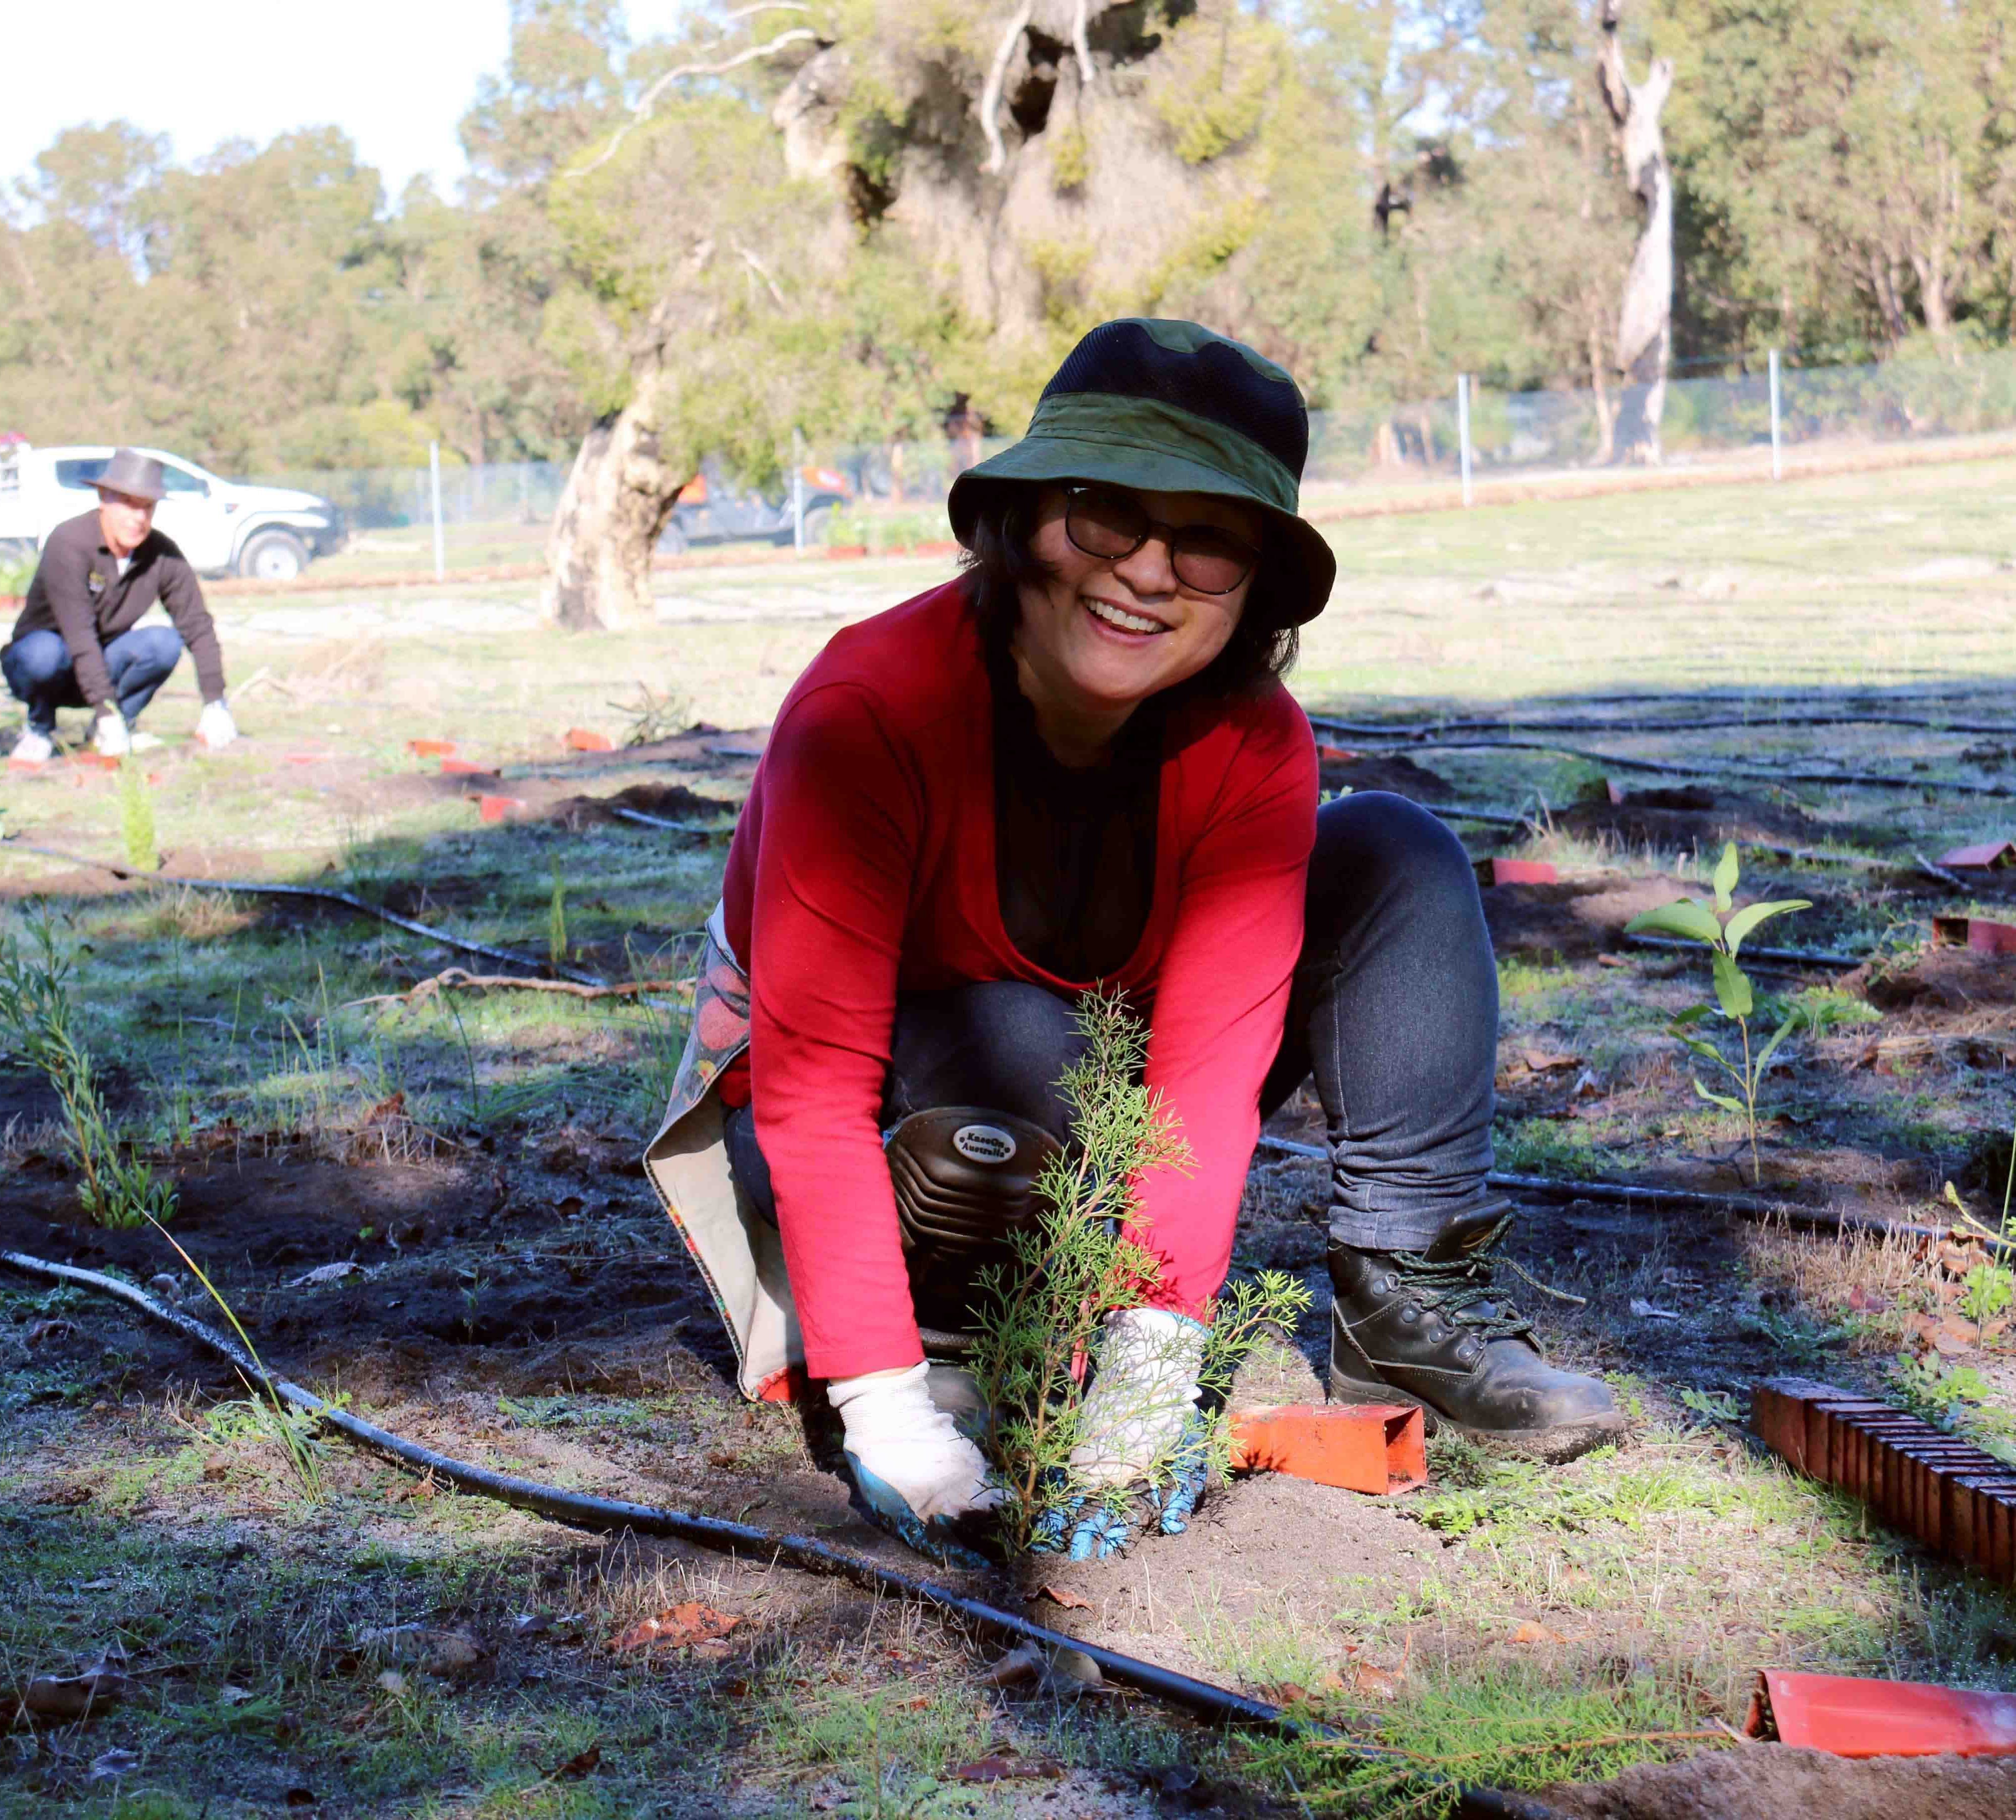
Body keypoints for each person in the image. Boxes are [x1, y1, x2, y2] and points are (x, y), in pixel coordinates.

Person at [643, 319, 1621, 1558]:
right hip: (885, 1117)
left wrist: (1152, 1364)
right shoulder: (865, 715)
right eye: (1104, 515)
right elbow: (811, 1094)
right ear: (1021, 521)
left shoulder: (1253, 742)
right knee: (1012, 1029)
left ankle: (1401, 1295)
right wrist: (882, 1411)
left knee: (1393, 852)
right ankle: (948, 1337)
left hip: (1095, 1100)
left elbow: (1206, 1079)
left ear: (1254, 585)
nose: (1147, 573)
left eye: (1206, 543)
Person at [0, 448, 238, 764]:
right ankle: (39, 727)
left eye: (147, 507)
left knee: (163, 643)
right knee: (45, 653)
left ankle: (111, 729)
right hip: (45, 663)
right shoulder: (69, 543)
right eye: (128, 504)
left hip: (102, 663)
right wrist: (104, 709)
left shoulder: (162, 555)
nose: (138, 518)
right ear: (103, 499)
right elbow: (79, 634)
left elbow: (197, 624)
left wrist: (215, 703)